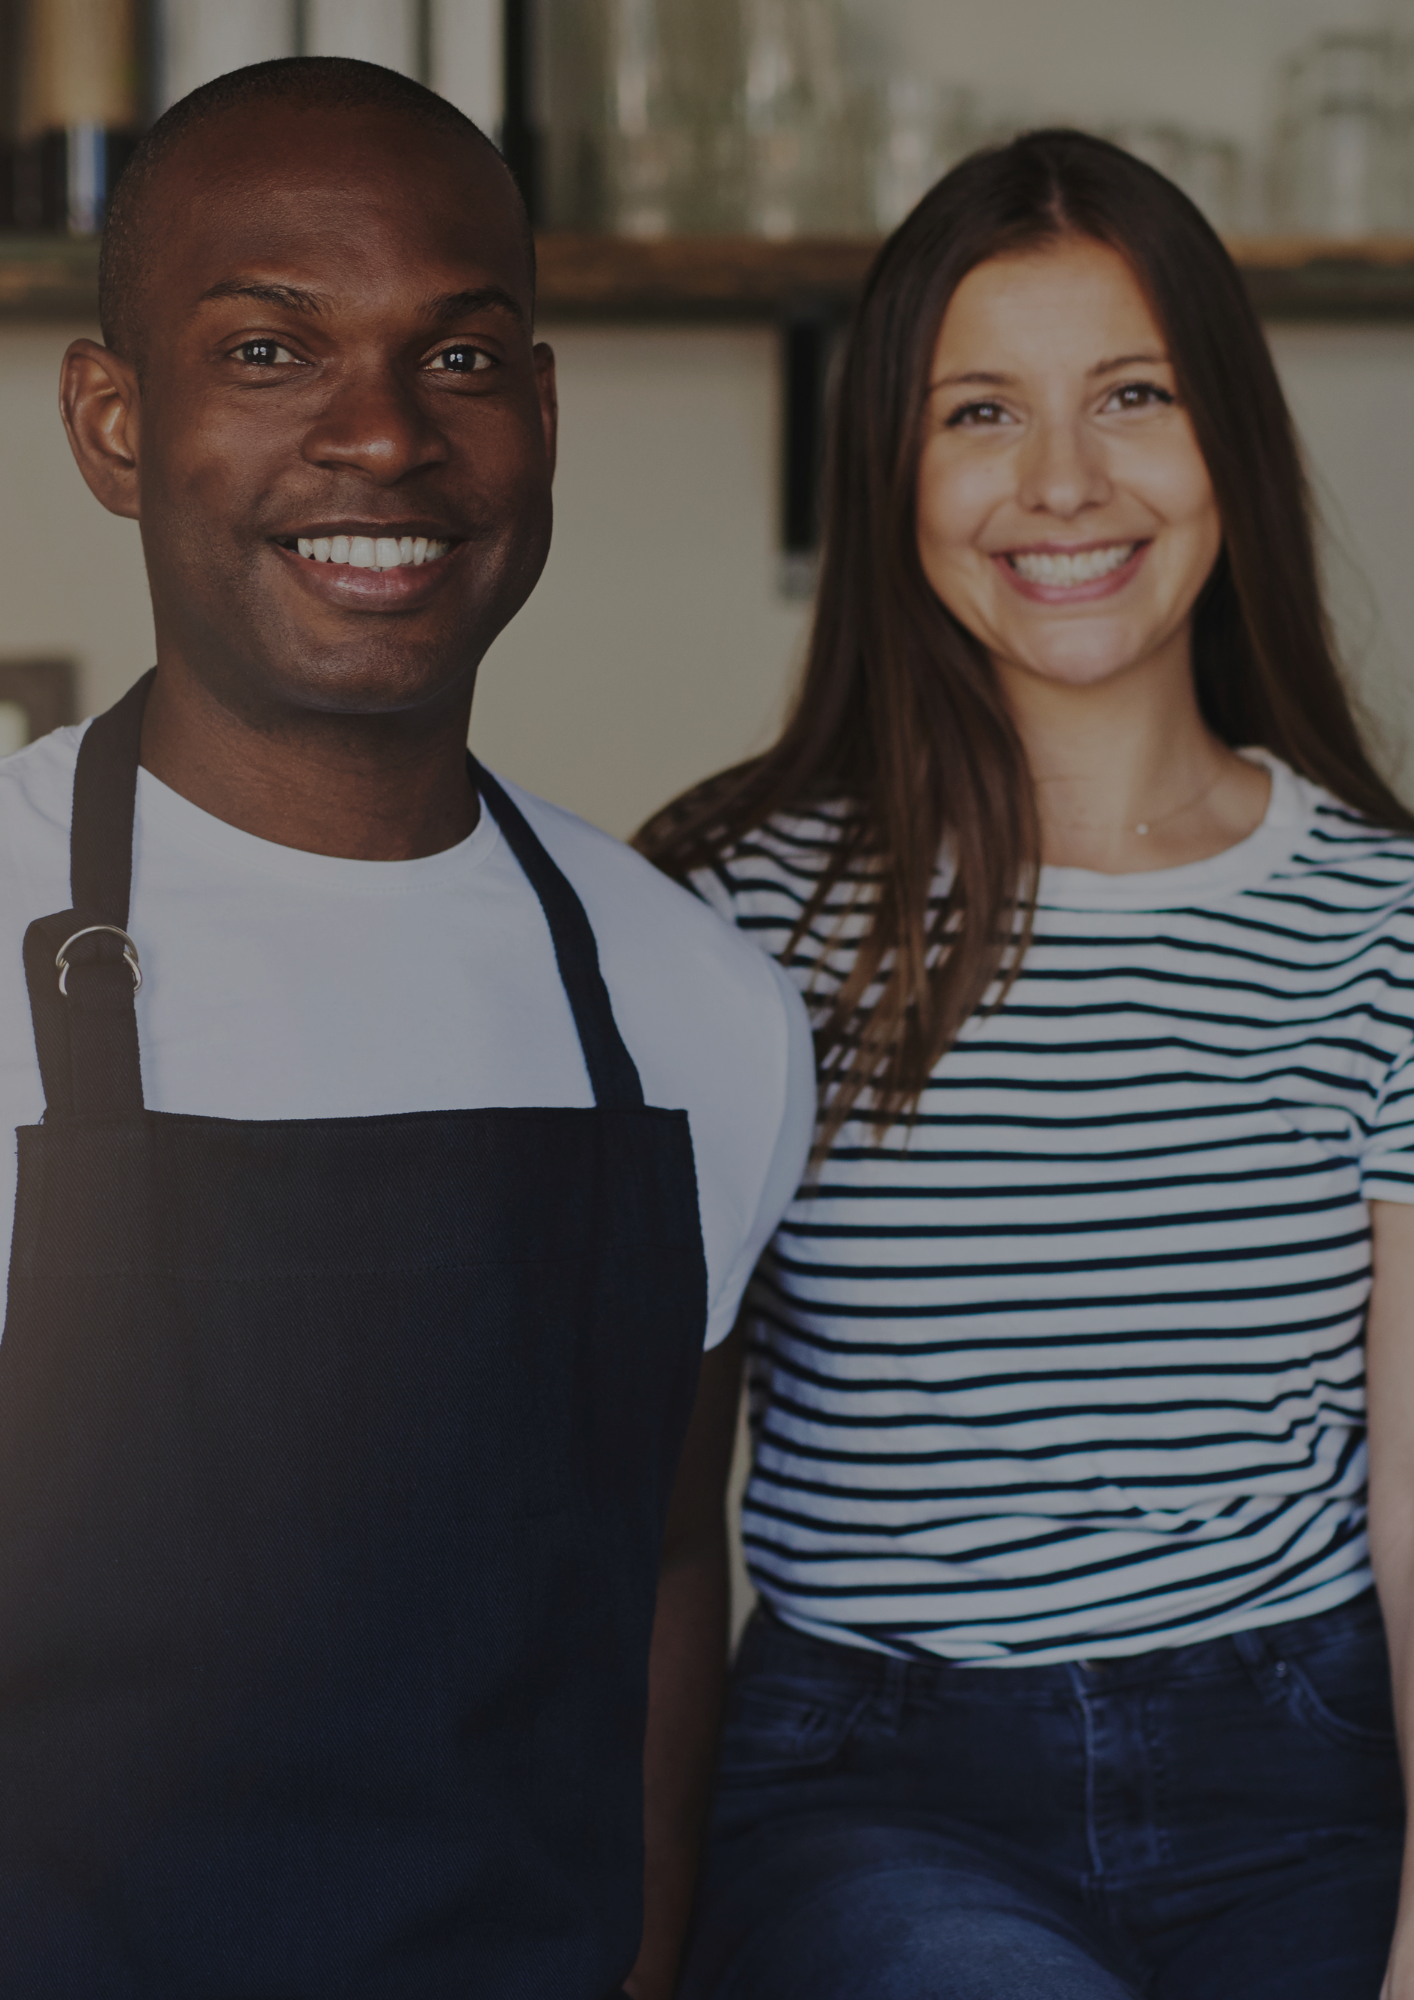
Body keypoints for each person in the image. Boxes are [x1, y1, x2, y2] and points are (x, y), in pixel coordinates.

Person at [0, 56, 815, 1999]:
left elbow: (663, 1568)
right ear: (116, 423)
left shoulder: (695, 1008)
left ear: (538, 416)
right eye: (270, 350)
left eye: (454, 362)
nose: (378, 437)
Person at [638, 130, 1414, 1999]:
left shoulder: (1383, 924)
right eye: (977, 410)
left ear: (1225, 435)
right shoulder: (727, 914)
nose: (1061, 482)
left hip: (1306, 1764)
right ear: (888, 469)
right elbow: (641, 1495)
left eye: (1130, 395)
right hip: (872, 1788)